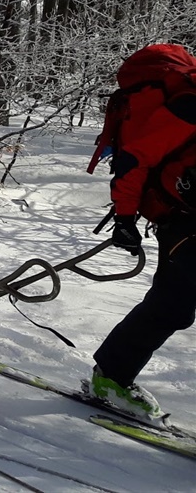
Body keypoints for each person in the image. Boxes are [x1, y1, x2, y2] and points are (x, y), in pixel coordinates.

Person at [88, 45, 196, 422]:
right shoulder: (187, 104)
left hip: (184, 219)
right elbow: (136, 157)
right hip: (186, 222)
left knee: (173, 305)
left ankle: (112, 375)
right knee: (172, 305)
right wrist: (124, 216)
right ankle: (112, 376)